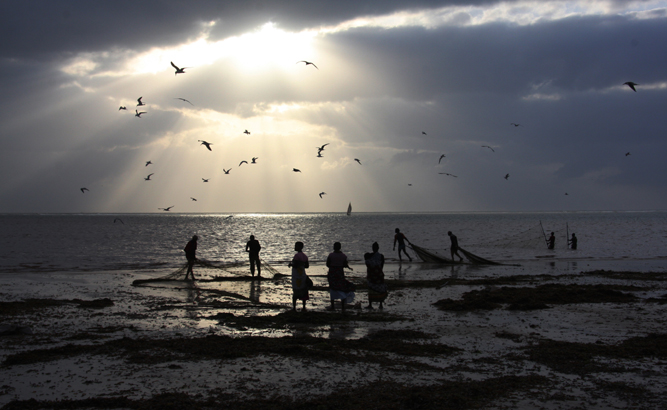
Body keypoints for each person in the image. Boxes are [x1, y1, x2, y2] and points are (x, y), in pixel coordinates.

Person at [326, 242, 355, 312]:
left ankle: (333, 306)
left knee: (332, 288)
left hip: (332, 273)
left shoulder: (331, 255)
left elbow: (327, 264)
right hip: (340, 273)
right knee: (342, 288)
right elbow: (345, 264)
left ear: (334, 247)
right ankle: (342, 307)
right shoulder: (343, 256)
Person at [364, 242, 387, 310]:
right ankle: (380, 304)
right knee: (380, 288)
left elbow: (366, 261)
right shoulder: (381, 256)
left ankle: (370, 304)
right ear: (378, 248)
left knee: (371, 288)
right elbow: (382, 265)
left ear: (372, 248)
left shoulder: (369, 255)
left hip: (371, 275)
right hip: (379, 274)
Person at [289, 242, 310, 311]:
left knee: (295, 291)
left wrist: (291, 264)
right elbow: (307, 266)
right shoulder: (305, 256)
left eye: (296, 246)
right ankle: (304, 307)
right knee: (303, 290)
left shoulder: (296, 256)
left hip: (296, 275)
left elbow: (295, 265)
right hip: (302, 274)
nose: (295, 247)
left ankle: (294, 307)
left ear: (299, 247)